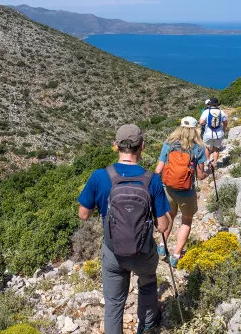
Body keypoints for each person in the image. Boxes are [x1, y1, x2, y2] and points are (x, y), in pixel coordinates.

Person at [78, 124, 170, 334]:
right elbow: (163, 226)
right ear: (142, 147)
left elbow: (83, 214)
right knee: (147, 284)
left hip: (112, 252)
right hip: (144, 252)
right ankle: (146, 325)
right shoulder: (152, 180)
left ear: (115, 146)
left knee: (113, 304)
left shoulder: (99, 176)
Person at [154, 116, 207, 267]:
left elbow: (158, 169)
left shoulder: (169, 144)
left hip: (168, 189)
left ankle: (162, 247)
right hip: (186, 191)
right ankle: (176, 256)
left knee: (169, 216)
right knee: (186, 220)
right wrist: (209, 171)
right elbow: (201, 176)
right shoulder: (198, 148)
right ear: (195, 129)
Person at [199, 98, 228, 168]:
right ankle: (215, 163)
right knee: (216, 149)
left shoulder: (206, 112)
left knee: (207, 147)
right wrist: (223, 130)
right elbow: (225, 123)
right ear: (217, 104)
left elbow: (201, 122)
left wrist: (206, 123)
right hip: (219, 134)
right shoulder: (221, 112)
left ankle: (208, 162)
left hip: (208, 133)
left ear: (210, 104)